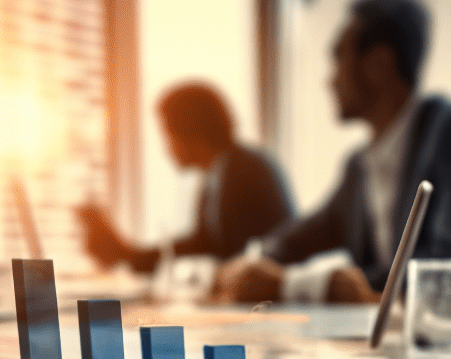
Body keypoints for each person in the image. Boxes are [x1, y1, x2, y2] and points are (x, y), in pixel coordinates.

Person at [215, 0, 451, 304]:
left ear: (379, 65)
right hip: (413, 345)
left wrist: (298, 285)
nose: (329, 80)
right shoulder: (359, 165)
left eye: (338, 57)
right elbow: (300, 238)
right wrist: (253, 262)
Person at [78, 81, 293, 272]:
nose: (166, 148)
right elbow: (201, 244)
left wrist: (125, 254)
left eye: (168, 135)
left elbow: (244, 256)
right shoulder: (217, 174)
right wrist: (128, 254)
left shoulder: (246, 171)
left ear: (194, 134)